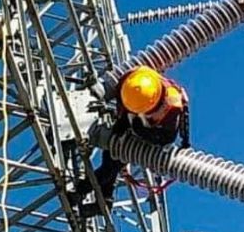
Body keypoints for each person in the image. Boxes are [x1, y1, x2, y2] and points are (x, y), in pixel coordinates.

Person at [74, 65, 190, 214]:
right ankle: (103, 200)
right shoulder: (131, 83)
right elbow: (123, 107)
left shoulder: (171, 104)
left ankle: (82, 190)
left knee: (113, 163)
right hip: (132, 116)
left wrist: (185, 141)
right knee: (111, 153)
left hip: (157, 135)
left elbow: (179, 123)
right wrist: (122, 123)